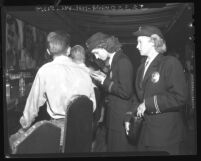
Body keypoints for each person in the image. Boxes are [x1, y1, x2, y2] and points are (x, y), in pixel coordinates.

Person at [19, 30, 96, 146]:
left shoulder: (45, 70)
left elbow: (33, 105)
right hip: (83, 132)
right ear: (69, 50)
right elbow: (92, 106)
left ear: (48, 51)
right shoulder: (84, 72)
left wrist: (24, 126)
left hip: (59, 135)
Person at [125, 25, 188, 155]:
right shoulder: (141, 68)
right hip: (144, 134)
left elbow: (180, 97)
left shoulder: (170, 63)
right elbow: (138, 98)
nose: (137, 46)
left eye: (140, 42)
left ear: (153, 41)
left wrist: (148, 104)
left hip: (165, 136)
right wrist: (129, 116)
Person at [86, 32, 135, 152]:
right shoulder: (114, 61)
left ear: (104, 46)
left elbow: (126, 91)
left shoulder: (122, 61)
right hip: (114, 117)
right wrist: (103, 77)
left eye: (96, 53)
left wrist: (104, 80)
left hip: (120, 118)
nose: (96, 57)